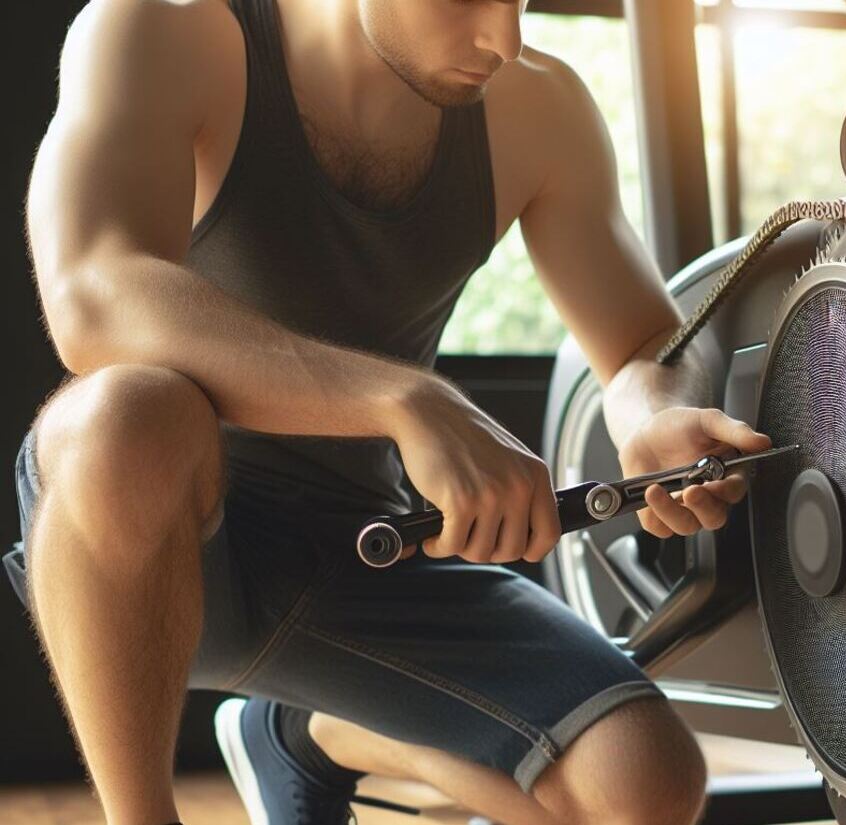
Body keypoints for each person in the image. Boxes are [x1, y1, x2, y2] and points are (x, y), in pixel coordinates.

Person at [5, 0, 773, 823]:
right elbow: (93, 293)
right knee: (128, 414)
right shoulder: (163, 29)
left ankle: (311, 733)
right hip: (160, 540)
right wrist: (400, 399)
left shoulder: (538, 108)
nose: (503, 39)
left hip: (365, 548)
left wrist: (651, 412)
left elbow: (642, 342)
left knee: (648, 788)